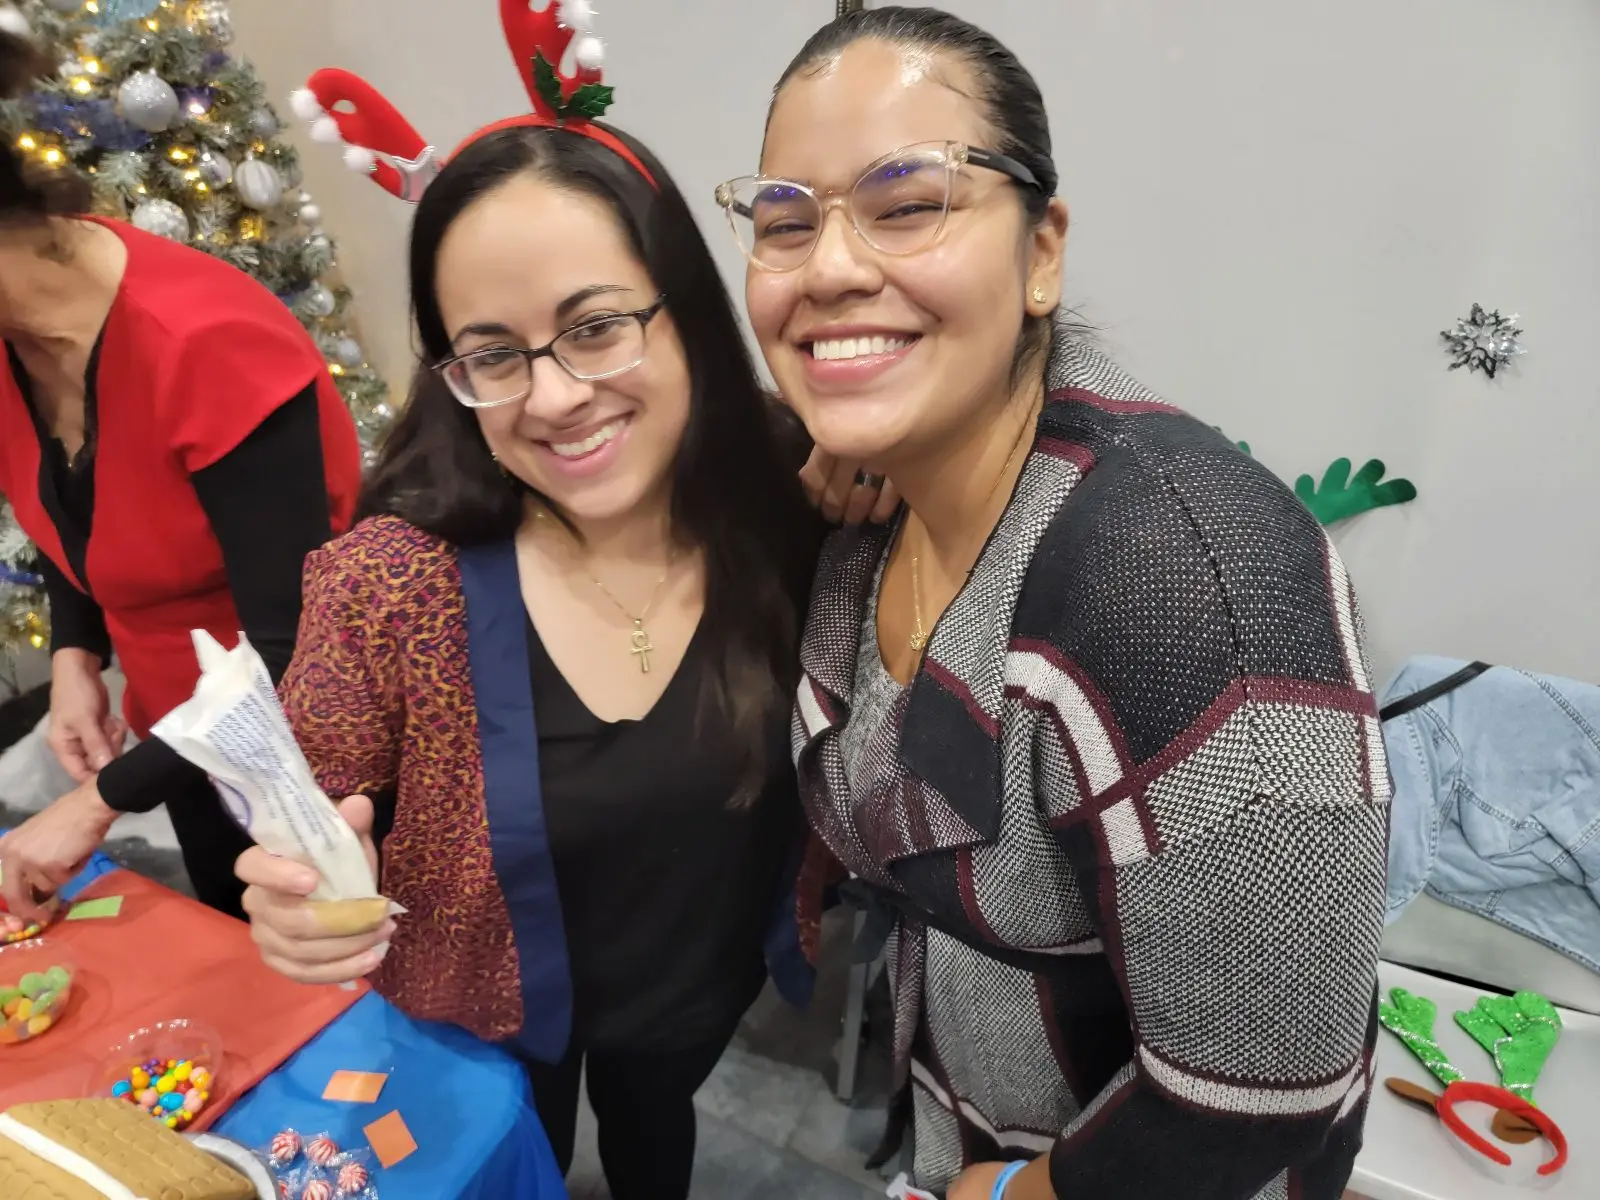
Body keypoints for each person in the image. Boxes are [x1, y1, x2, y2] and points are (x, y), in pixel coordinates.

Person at [721, 7, 1391, 1199]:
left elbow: (1261, 1088)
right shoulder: (888, 499)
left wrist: (1009, 1194)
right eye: (784, 219)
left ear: (1041, 252)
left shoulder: (1191, 592)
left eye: (906, 201)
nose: (828, 266)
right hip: (967, 1103)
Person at [233, 113, 828, 1199]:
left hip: (696, 988)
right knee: (513, 1160)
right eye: (494, 356)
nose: (554, 398)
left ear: (688, 313)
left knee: (657, 1128)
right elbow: (307, 805)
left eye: (596, 327)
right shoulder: (388, 582)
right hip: (482, 1012)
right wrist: (296, 886)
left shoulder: (798, 504)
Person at [0, 28, 362, 929]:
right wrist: (77, 653)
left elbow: (294, 651)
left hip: (311, 754)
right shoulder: (17, 344)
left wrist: (97, 803)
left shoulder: (205, 346)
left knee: (355, 1000)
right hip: (186, 745)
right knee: (247, 971)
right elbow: (67, 509)